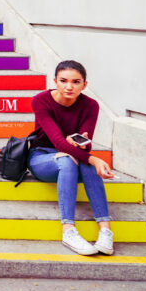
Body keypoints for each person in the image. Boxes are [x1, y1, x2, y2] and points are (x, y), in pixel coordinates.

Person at [28, 60, 115, 256]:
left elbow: (87, 145)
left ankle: (105, 230)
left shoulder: (91, 105)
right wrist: (94, 158)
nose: (69, 86)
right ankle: (68, 230)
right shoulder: (41, 101)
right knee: (70, 159)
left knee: (83, 162)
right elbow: (58, 143)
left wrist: (80, 144)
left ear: (84, 85)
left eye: (76, 82)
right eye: (63, 80)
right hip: (43, 157)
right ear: (55, 81)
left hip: (74, 159)